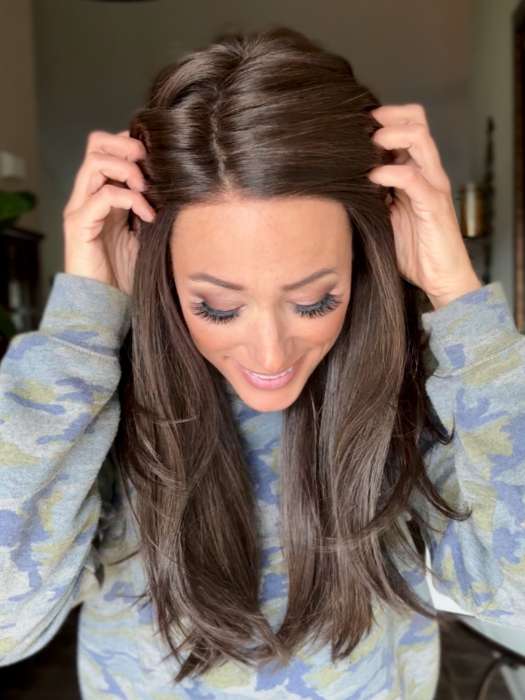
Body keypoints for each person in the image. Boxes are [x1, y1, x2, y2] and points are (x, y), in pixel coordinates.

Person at [1, 25, 524, 700]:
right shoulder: (94, 400)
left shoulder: (429, 389)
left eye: (314, 301)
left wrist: (463, 306)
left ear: (362, 263)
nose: (270, 355)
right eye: (218, 307)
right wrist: (79, 327)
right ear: (164, 276)